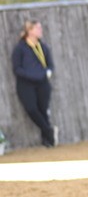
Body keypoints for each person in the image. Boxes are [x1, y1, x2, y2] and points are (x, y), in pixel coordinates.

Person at [11, 19, 57, 147]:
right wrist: (31, 76)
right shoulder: (20, 49)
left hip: (42, 83)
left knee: (43, 110)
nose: (40, 31)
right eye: (37, 28)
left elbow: (50, 65)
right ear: (29, 31)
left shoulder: (43, 47)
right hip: (26, 84)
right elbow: (17, 68)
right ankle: (49, 130)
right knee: (31, 108)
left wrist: (48, 72)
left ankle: (48, 140)